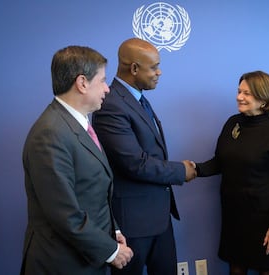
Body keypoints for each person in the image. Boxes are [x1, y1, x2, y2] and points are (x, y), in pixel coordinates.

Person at [20, 46, 134, 275]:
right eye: (102, 80)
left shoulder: (76, 125)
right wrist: (111, 251)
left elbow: (92, 192)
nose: (107, 88)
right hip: (63, 264)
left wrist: (113, 231)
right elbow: (65, 214)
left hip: (86, 258)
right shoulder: (50, 134)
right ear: (82, 83)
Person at [92, 38, 197, 275]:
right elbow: (134, 163)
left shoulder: (137, 98)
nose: (159, 72)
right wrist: (181, 171)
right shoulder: (111, 104)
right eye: (154, 67)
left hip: (159, 219)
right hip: (134, 225)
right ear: (134, 68)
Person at [194, 71, 269, 275]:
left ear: (264, 98)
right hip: (234, 216)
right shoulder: (233, 123)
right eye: (239, 91)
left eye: (247, 93)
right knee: (236, 268)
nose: (239, 97)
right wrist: (192, 169)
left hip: (263, 220)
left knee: (268, 269)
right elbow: (220, 163)